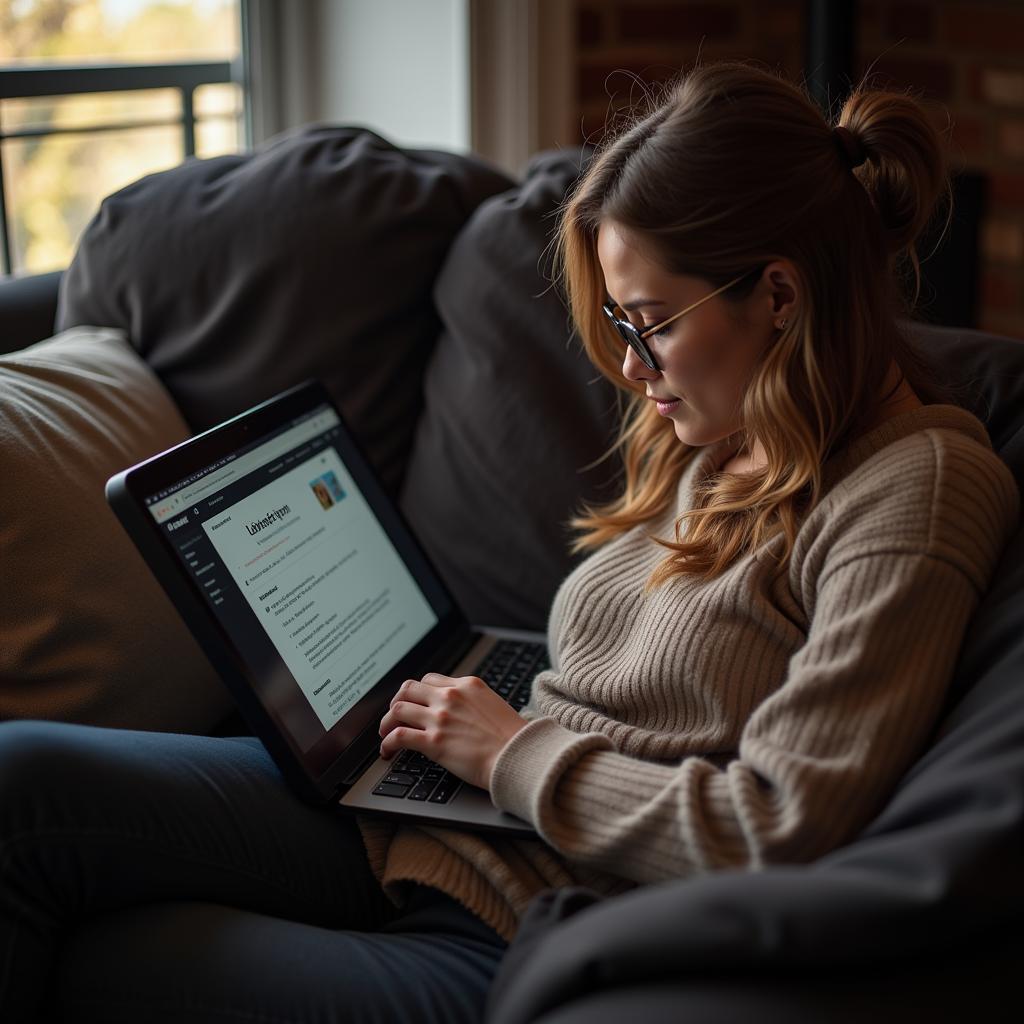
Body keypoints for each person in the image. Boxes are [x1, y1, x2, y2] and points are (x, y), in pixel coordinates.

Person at [0, 62, 1018, 1023]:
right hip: (455, 812)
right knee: (23, 774)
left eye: (650, 322)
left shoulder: (917, 490)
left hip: (511, 915)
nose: (630, 367)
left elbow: (780, 829)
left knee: (110, 954)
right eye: (619, 324)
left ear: (781, 298)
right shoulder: (744, 432)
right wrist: (481, 728)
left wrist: (512, 747)